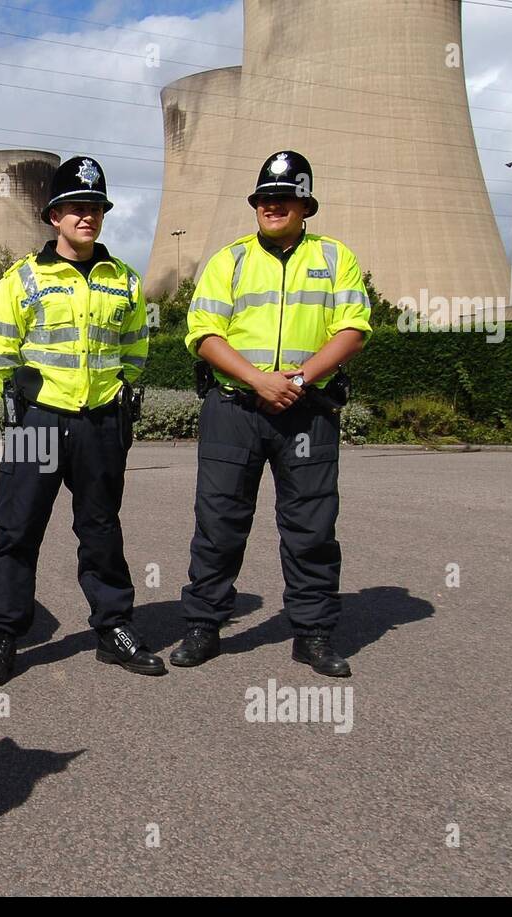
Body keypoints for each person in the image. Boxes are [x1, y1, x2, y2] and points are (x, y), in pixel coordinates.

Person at [170, 150, 371, 677]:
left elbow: (352, 329)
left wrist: (298, 381)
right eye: (264, 198)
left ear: (305, 205)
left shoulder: (334, 259)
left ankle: (314, 633)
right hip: (234, 407)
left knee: (311, 525)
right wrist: (258, 379)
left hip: (307, 411)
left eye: (284, 197)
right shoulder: (229, 260)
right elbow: (203, 334)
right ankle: (203, 626)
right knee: (218, 521)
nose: (272, 206)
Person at [0, 156, 164, 685]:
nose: (88, 217)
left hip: (100, 424)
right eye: (77, 208)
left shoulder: (123, 280)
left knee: (101, 530)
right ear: (54, 216)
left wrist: (118, 400)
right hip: (39, 423)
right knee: (17, 531)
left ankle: (114, 629)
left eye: (96, 208)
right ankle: (2, 635)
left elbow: (135, 351)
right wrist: (23, 405)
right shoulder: (22, 279)